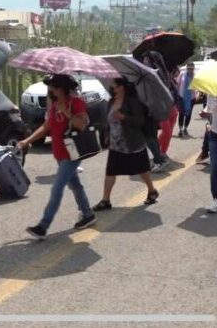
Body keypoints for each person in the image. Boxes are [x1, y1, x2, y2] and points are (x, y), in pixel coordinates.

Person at [18, 74, 96, 240]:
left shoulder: (76, 102)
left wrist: (66, 111)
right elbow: (47, 126)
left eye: (52, 87)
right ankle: (88, 214)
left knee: (57, 188)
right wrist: (27, 141)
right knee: (75, 185)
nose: (50, 90)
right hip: (59, 153)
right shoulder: (53, 104)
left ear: (61, 88)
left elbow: (81, 124)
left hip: (72, 153)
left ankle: (43, 226)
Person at [92, 79, 159, 211]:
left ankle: (152, 190)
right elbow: (109, 121)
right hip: (116, 144)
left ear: (122, 87)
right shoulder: (111, 101)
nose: (112, 88)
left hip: (132, 143)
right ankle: (106, 200)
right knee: (110, 172)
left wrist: (123, 117)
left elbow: (140, 120)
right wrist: (107, 135)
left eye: (115, 86)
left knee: (141, 170)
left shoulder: (132, 101)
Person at [141, 51, 170, 173]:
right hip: (153, 110)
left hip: (150, 110)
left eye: (146, 60)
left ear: (152, 61)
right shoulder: (159, 74)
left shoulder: (153, 75)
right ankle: (161, 157)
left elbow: (152, 95)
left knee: (148, 137)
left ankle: (159, 160)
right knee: (151, 136)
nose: (143, 62)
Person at [158, 67, 180, 156]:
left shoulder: (173, 82)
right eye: (173, 72)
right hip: (162, 109)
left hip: (173, 109)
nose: (175, 74)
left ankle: (163, 151)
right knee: (167, 132)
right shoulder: (159, 81)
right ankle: (159, 151)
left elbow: (176, 95)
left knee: (168, 133)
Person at [177, 62, 197, 138]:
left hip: (191, 98)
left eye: (192, 68)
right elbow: (177, 85)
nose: (190, 70)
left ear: (193, 69)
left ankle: (185, 128)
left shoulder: (195, 77)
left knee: (188, 114)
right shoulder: (182, 75)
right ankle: (180, 129)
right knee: (181, 113)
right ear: (186, 68)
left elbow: (197, 88)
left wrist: (197, 95)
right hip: (181, 97)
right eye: (189, 68)